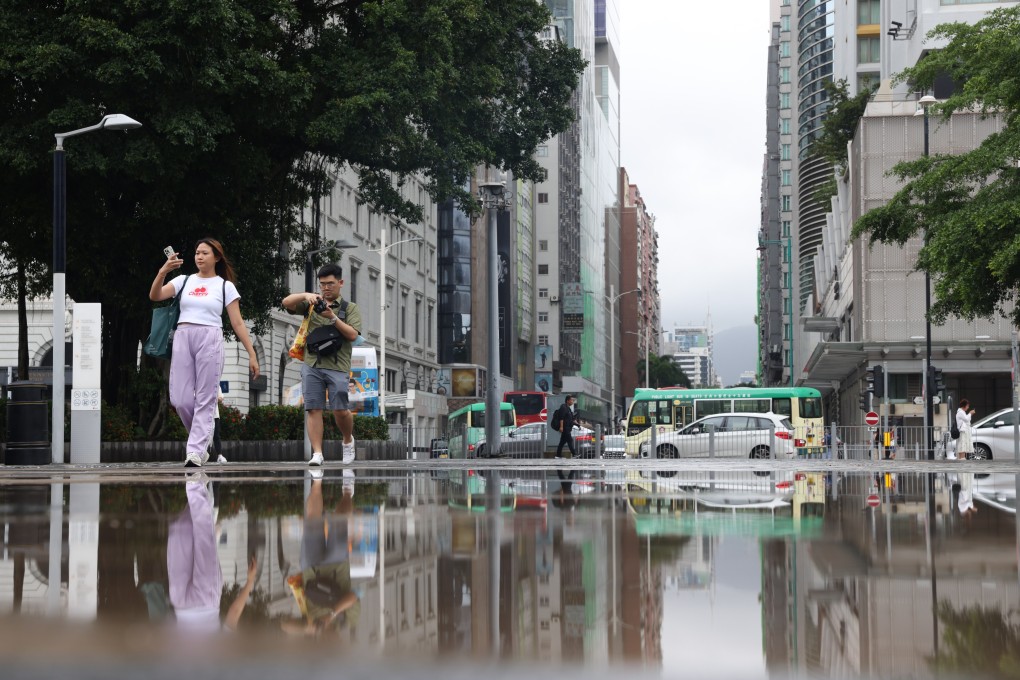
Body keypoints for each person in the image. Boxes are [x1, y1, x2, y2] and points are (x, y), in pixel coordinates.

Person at [150, 238, 260, 467]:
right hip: (183, 336)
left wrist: (251, 353)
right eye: (197, 253)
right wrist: (163, 271)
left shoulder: (224, 286)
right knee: (179, 399)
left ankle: (195, 451)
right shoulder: (184, 280)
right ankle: (201, 440)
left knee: (205, 398)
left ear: (216, 257)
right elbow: (155, 295)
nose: (199, 257)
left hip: (210, 338)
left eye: (204, 253)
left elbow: (238, 323)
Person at [282, 263, 362, 466]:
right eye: (323, 284)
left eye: (331, 284)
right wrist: (306, 295)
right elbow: (286, 302)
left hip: (338, 366)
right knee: (313, 408)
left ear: (340, 283)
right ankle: (317, 452)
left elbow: (353, 335)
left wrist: (333, 317)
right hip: (312, 364)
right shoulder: (311, 304)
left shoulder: (349, 308)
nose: (326, 288)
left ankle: (347, 440)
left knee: (340, 410)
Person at [168, 474, 257, 633]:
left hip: (194, 603)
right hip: (192, 603)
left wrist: (250, 581)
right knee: (185, 532)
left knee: (191, 530)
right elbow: (233, 615)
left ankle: (198, 486)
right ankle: (195, 480)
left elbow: (234, 614)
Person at [282, 472, 360, 638]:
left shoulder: (311, 626)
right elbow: (353, 597)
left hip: (311, 568)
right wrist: (331, 614)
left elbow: (284, 625)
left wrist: (305, 628)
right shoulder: (346, 624)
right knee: (340, 519)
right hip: (337, 565)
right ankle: (347, 491)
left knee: (312, 519)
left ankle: (317, 480)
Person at [210, 385, 228, 463]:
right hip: (202, 416)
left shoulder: (216, 384)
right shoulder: (199, 383)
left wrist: (215, 399)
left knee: (216, 435)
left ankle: (219, 455)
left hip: (215, 415)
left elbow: (220, 397)